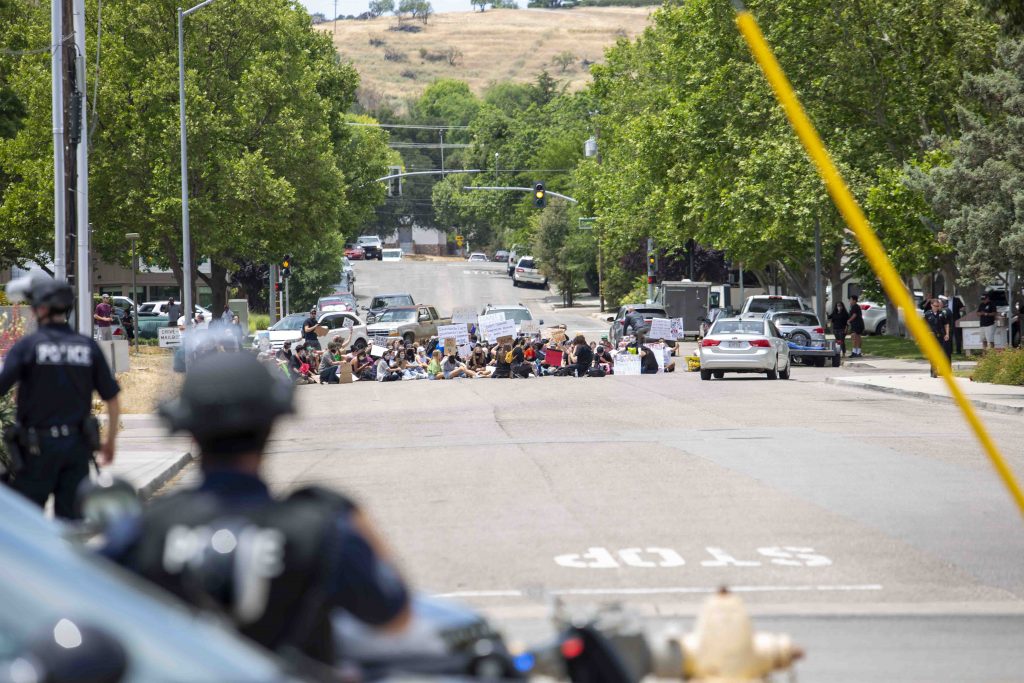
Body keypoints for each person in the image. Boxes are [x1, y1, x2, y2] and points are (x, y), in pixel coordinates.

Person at [103, 352, 410, 666]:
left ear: (190, 431)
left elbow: (94, 603)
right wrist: (353, 516)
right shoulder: (319, 526)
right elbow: (393, 615)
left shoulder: (147, 528)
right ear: (272, 424)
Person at [0, 274, 121, 518]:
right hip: (77, 449)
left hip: (36, 450)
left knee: (28, 522)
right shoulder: (87, 346)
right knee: (71, 527)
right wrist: (110, 442)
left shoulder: (28, 347)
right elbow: (112, 398)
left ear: (41, 309)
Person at [924, 296, 952, 377]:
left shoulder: (942, 314)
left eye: (938, 306)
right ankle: (933, 371)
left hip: (940, 336)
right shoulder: (927, 314)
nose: (937, 307)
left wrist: (947, 334)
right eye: (935, 306)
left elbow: (946, 324)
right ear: (931, 305)